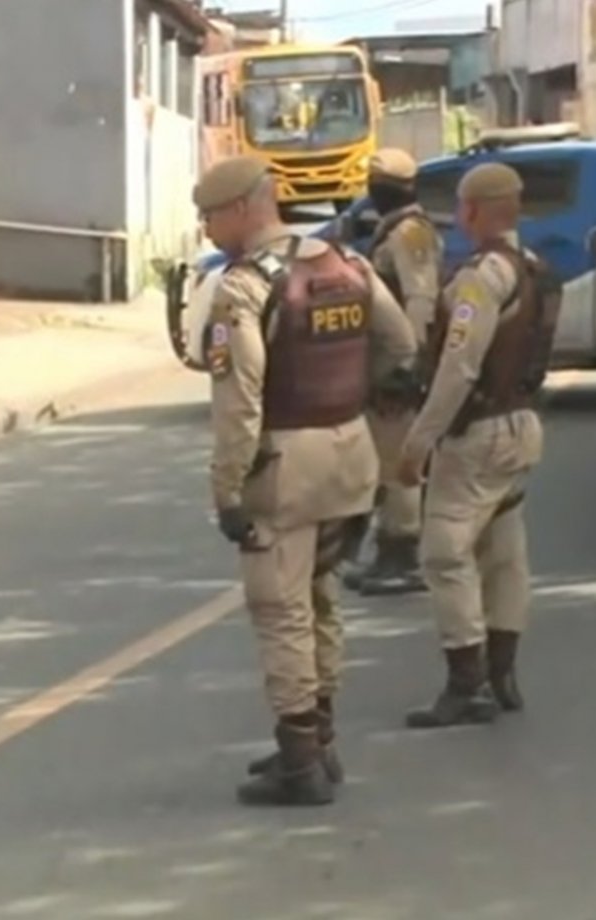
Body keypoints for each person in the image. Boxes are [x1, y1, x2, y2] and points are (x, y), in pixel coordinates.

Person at [195, 154, 418, 805]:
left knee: (280, 608)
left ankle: (299, 763)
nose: (207, 229)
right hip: (350, 454)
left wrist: (228, 489)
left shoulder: (243, 287)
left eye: (210, 216)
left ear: (242, 209)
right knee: (320, 599)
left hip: (285, 465)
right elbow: (400, 347)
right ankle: (319, 743)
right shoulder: (346, 264)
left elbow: (240, 400)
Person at [396, 162, 561, 730]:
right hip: (522, 425)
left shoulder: (479, 279)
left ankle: (467, 683)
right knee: (504, 549)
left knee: (445, 551)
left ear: (472, 211)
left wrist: (420, 440)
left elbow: (459, 367)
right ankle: (503, 673)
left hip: (480, 431)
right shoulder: (535, 269)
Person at [341, 147, 444, 597]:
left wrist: (409, 365)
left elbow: (421, 297)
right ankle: (387, 548)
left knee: (400, 464)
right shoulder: (392, 231)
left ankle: (402, 555)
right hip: (383, 364)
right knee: (385, 462)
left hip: (399, 366)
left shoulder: (410, 234)